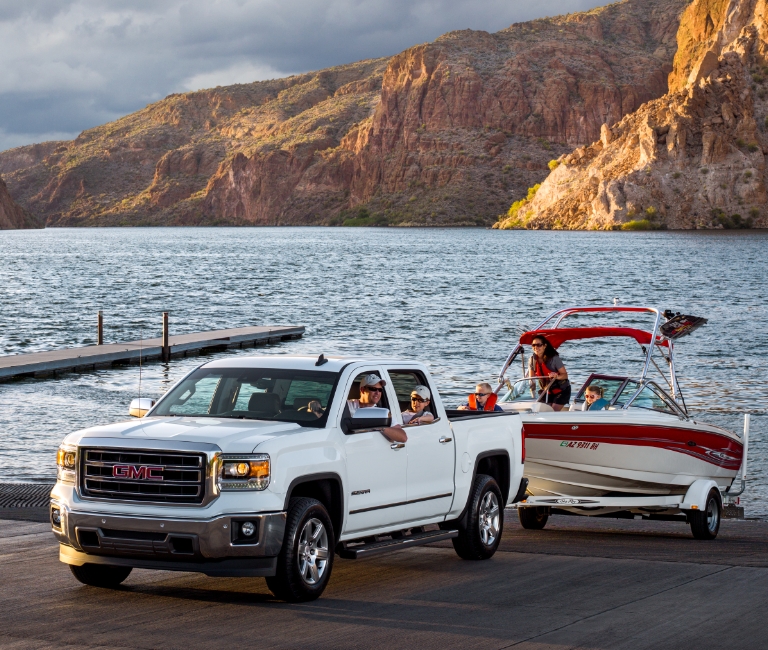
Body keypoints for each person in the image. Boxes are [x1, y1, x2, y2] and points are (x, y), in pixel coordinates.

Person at [347, 374, 407, 443]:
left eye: (380, 390)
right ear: (362, 390)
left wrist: (381, 426)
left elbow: (403, 437)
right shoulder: (347, 405)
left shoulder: (380, 413)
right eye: (373, 389)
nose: (377, 393)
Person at [528, 334, 571, 411]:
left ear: (544, 346)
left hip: (561, 390)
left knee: (552, 410)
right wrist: (531, 385)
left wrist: (556, 376)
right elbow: (532, 379)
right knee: (540, 409)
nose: (536, 347)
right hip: (546, 391)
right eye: (533, 345)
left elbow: (565, 375)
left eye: (539, 345)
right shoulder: (532, 360)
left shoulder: (554, 358)